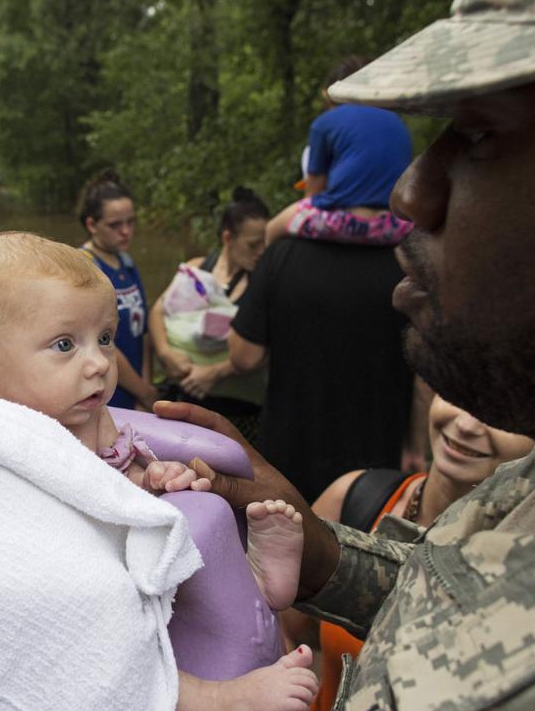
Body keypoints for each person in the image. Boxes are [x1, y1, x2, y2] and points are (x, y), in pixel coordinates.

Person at [160, 0, 535, 711]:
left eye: (482, 136)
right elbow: (474, 589)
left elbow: (243, 356)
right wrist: (324, 551)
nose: (412, 191)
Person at [0, 230, 318, 711]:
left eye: (105, 338)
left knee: (194, 513)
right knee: (89, 629)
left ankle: (253, 579)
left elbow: (122, 460)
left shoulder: (88, 412)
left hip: (136, 561)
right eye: (64, 345)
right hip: (70, 590)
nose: (99, 363)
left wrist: (155, 475)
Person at [285, 394, 534, 711]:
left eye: (504, 412)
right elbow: (270, 628)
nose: (466, 424)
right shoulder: (357, 499)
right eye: (459, 393)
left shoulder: (527, 570)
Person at [229, 191, 413, 502]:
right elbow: (421, 376)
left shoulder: (282, 256)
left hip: (293, 447)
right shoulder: (408, 262)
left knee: (287, 538)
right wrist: (416, 446)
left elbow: (244, 356)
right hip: (377, 452)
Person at [149, 187, 269, 440]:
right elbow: (158, 311)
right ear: (228, 237)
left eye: (265, 243)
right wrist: (165, 352)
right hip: (187, 396)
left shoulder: (265, 284)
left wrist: (215, 373)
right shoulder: (196, 269)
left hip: (239, 408)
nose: (261, 252)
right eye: (253, 244)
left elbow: (269, 349)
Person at [266, 57, 413, 247]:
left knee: (271, 228)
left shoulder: (325, 123)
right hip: (395, 227)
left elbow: (312, 194)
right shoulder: (396, 120)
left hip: (348, 225)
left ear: (327, 95)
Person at [77, 170, 158, 411]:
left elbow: (141, 333)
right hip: (106, 398)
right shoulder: (84, 269)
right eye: (115, 225)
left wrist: (146, 388)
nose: (126, 231)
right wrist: (144, 392)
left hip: (137, 396)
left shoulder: (127, 263)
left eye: (130, 222)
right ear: (91, 224)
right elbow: (100, 342)